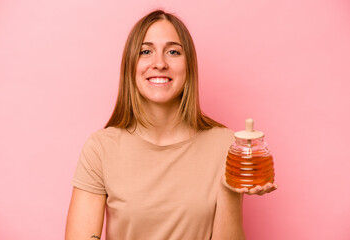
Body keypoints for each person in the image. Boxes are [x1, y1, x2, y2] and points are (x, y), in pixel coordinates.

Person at [65, 9, 277, 240]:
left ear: (189, 66)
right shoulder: (100, 148)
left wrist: (230, 189)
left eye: (173, 52)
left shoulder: (225, 144)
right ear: (130, 65)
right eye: (145, 51)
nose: (159, 63)